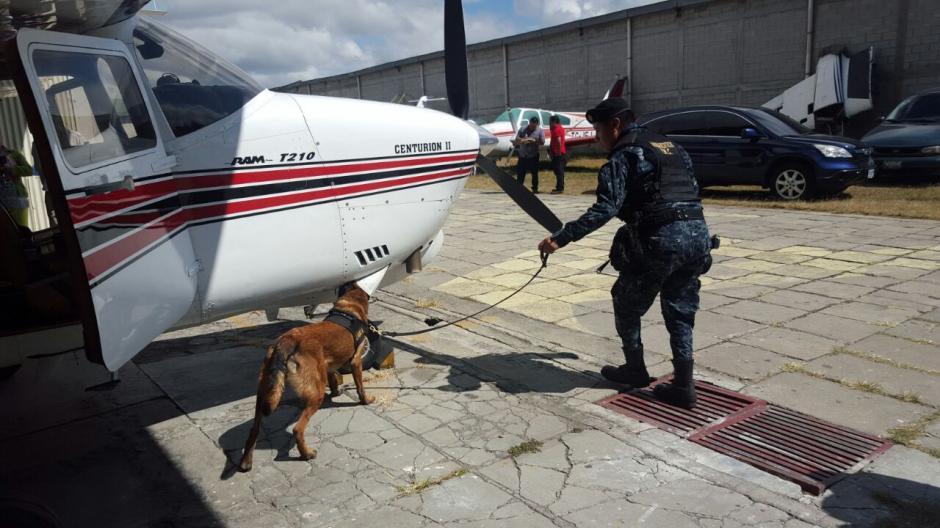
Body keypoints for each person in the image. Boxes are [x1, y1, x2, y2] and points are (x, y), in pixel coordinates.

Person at [537, 97, 712, 409]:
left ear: (615, 125)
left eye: (599, 131)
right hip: (698, 237)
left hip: (661, 240)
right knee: (680, 309)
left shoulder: (624, 155)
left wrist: (560, 239)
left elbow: (606, 208)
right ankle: (684, 385)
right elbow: (692, 190)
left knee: (625, 302)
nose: (598, 139)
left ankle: (634, 369)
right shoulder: (668, 146)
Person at [0, 144, 32, 228]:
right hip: (2, 203)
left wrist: (12, 169)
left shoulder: (14, 154)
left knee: (22, 231)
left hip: (17, 202)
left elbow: (29, 170)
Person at [512, 116, 544, 193]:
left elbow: (542, 142)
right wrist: (523, 140)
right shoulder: (522, 129)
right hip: (523, 155)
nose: (532, 127)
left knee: (534, 173)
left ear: (537, 124)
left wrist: (535, 141)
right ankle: (519, 188)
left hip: (533, 155)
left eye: (534, 126)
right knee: (521, 173)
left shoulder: (540, 131)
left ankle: (535, 188)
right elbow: (516, 141)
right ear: (529, 123)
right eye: (531, 125)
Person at [548, 115, 567, 194]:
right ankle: (559, 187)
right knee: (558, 170)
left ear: (554, 121)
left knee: (559, 171)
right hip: (557, 152)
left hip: (558, 153)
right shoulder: (559, 128)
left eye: (550, 121)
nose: (549, 123)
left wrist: (558, 152)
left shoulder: (556, 129)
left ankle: (560, 188)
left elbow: (558, 141)